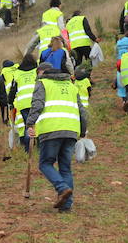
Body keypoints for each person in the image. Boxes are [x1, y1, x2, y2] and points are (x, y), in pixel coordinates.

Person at [26, 61, 88, 213]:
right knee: (65, 168)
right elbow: (83, 112)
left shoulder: (43, 84)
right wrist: (82, 131)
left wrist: (30, 123)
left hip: (51, 129)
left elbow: (38, 105)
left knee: (45, 164)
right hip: (71, 130)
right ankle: (66, 206)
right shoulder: (71, 86)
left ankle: (62, 188)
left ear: (43, 73)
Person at [9, 54, 39, 152]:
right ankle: (39, 147)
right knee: (38, 124)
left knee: (28, 125)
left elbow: (13, 90)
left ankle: (27, 149)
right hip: (36, 102)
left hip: (23, 104)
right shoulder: (37, 71)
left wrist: (10, 102)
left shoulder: (17, 73)